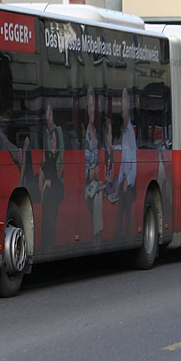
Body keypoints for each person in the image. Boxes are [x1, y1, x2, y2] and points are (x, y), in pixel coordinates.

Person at [37, 102, 64, 251]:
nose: (48, 118)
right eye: (45, 115)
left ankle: (49, 245)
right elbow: (42, 166)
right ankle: (47, 244)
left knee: (50, 201)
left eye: (49, 114)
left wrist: (50, 181)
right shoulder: (46, 136)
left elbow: (62, 166)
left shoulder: (57, 132)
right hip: (49, 185)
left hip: (56, 185)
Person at [115, 88, 137, 239]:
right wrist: (119, 179)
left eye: (123, 109)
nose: (122, 113)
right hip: (124, 180)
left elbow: (133, 163)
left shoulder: (131, 133)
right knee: (119, 212)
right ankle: (119, 237)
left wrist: (127, 181)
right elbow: (124, 161)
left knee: (126, 210)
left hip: (130, 184)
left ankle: (127, 236)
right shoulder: (124, 133)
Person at [83, 91, 104, 245]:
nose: (92, 109)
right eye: (89, 105)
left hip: (96, 181)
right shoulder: (82, 133)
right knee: (97, 197)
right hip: (85, 183)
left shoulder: (96, 131)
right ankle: (98, 238)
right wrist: (90, 173)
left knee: (100, 192)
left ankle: (99, 237)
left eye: (93, 106)